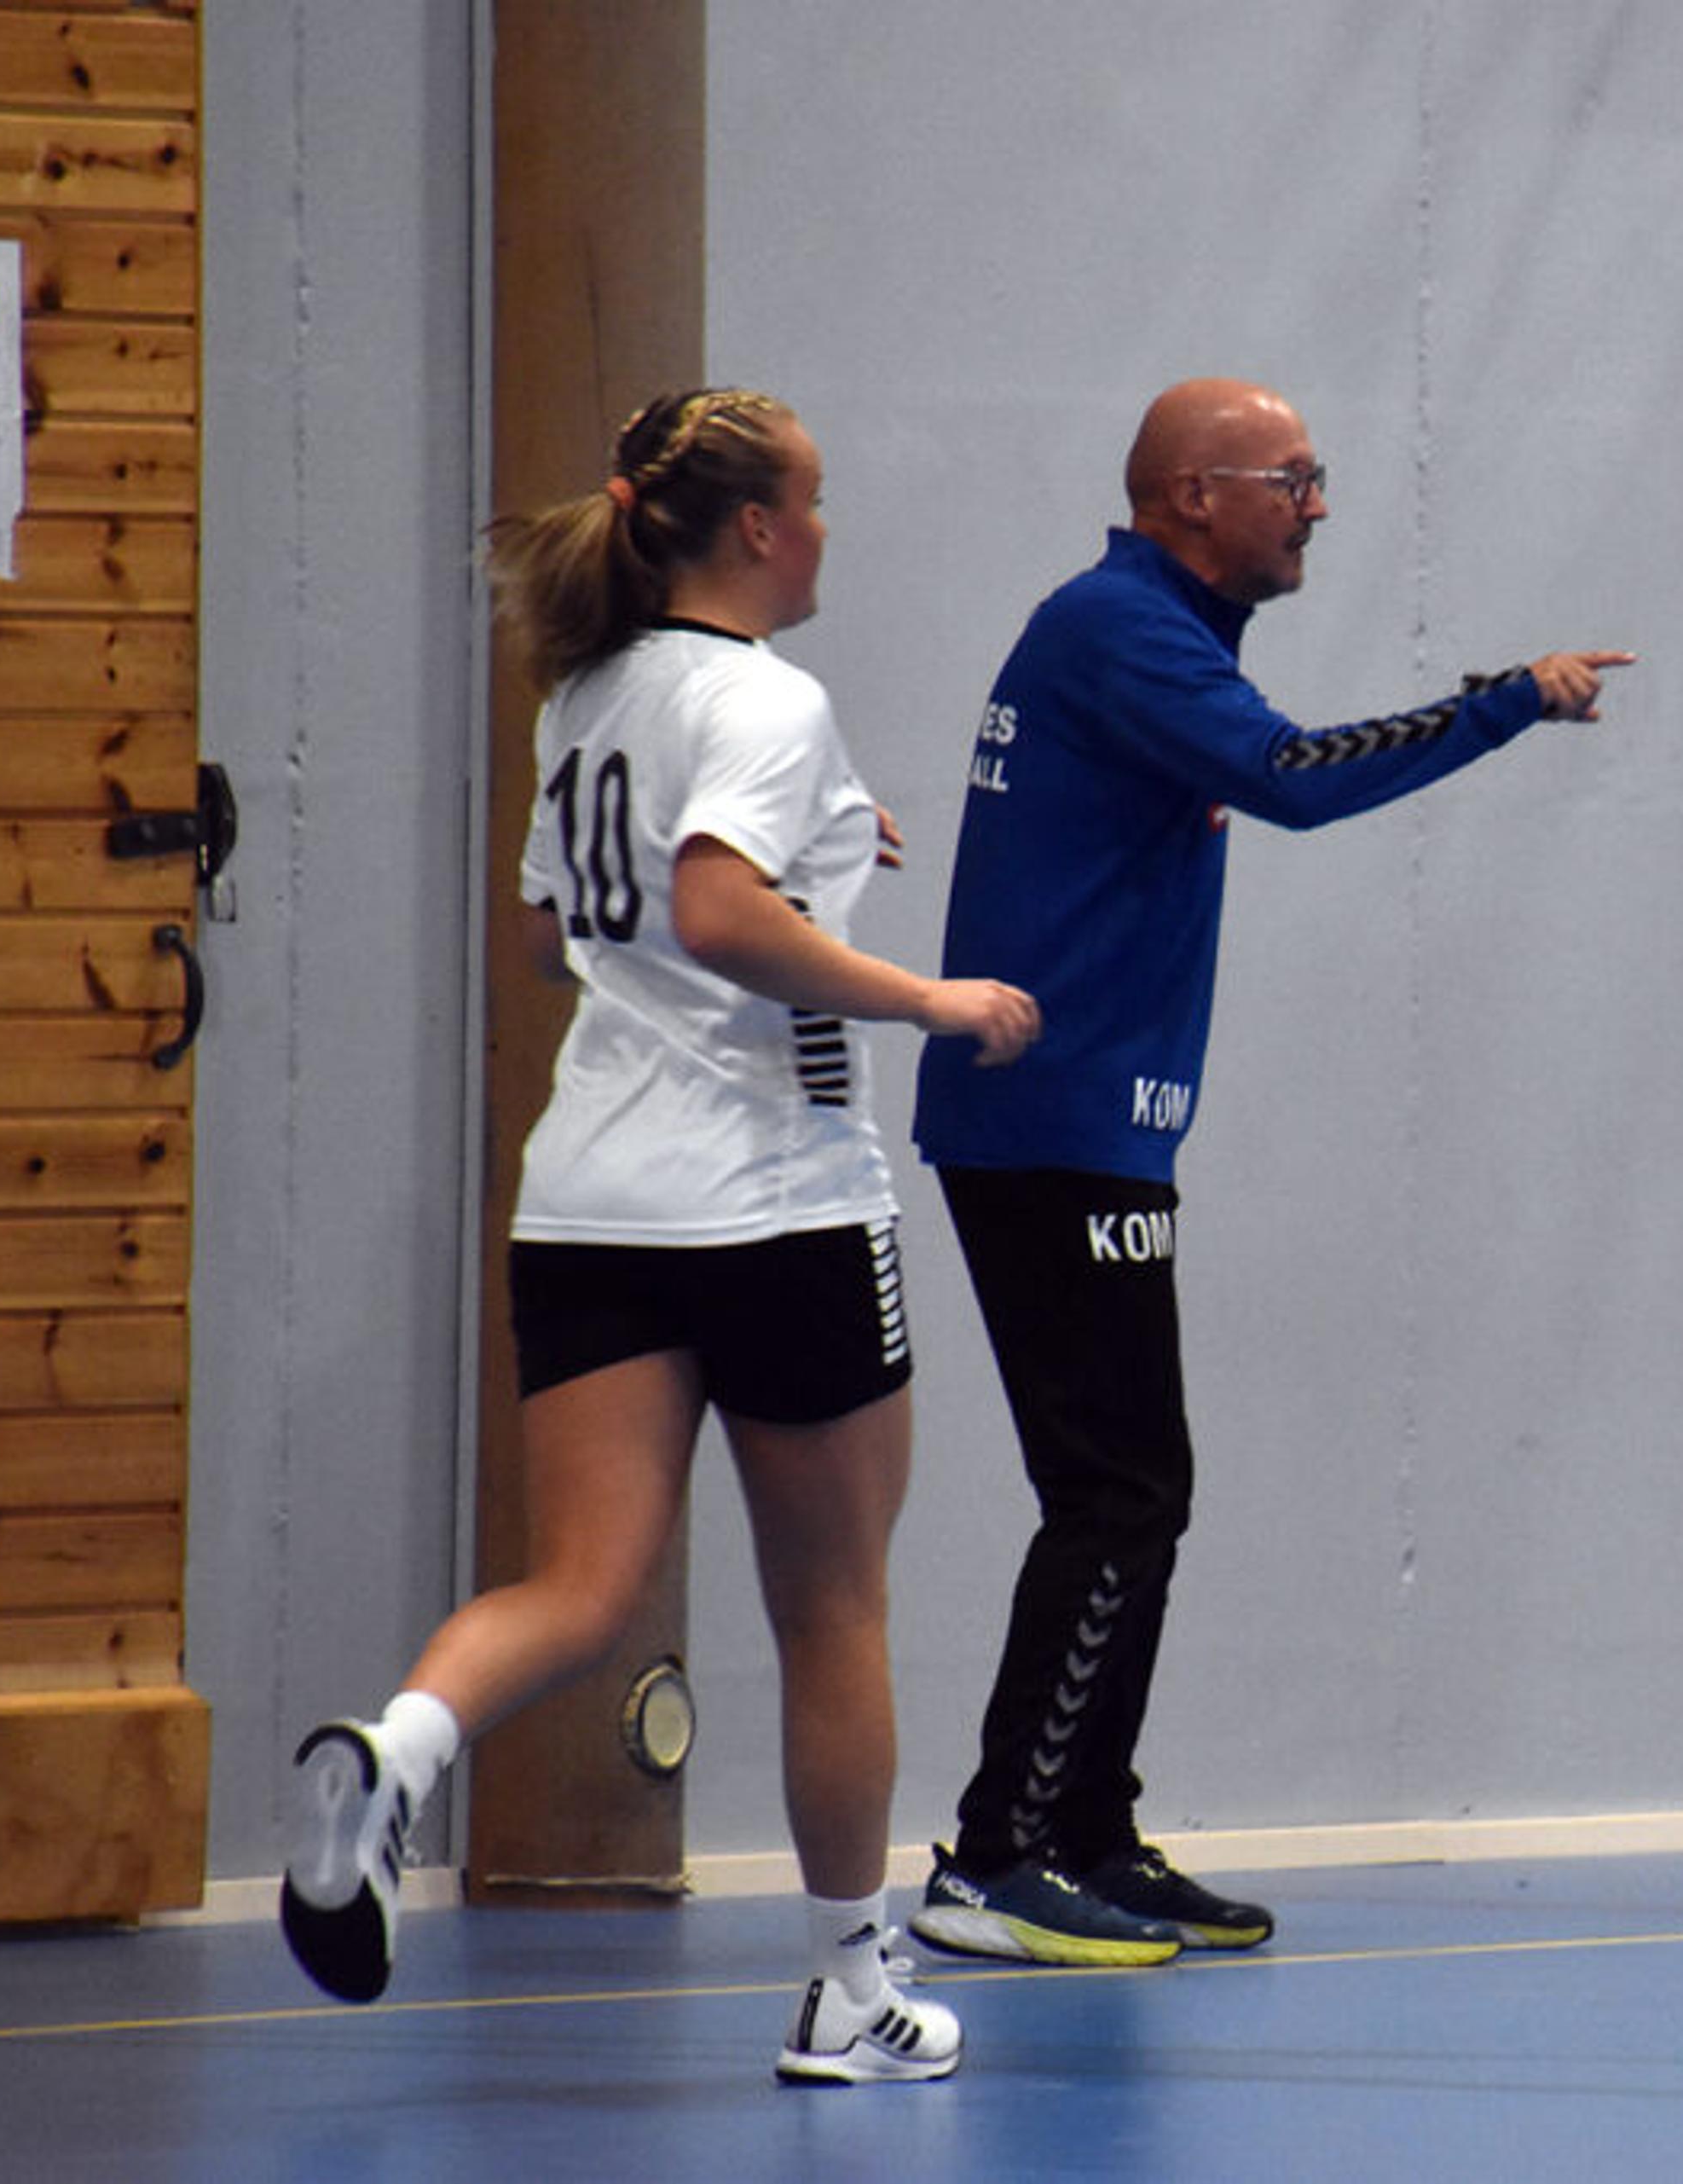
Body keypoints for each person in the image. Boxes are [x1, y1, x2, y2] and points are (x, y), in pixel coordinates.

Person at [278, 388, 1040, 2087]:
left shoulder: (588, 696)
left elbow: (562, 936)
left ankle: (398, 1754)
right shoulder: (768, 697)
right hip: (778, 1200)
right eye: (814, 505)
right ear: (756, 530)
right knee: (833, 1608)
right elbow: (711, 906)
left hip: (592, 1201)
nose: (827, 533)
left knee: (580, 1586)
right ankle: (849, 1994)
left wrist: (813, 852)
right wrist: (923, 996)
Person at [907, 376, 1630, 1967]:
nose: (1319, 506)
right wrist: (1503, 702)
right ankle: (999, 1853)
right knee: (1116, 1492)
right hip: (1049, 1125)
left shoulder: (1153, 635)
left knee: (1138, 1493)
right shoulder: (1122, 629)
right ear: (1193, 495)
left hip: (1087, 1124)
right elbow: (1296, 774)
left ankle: (1086, 1829)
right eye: (1292, 478)